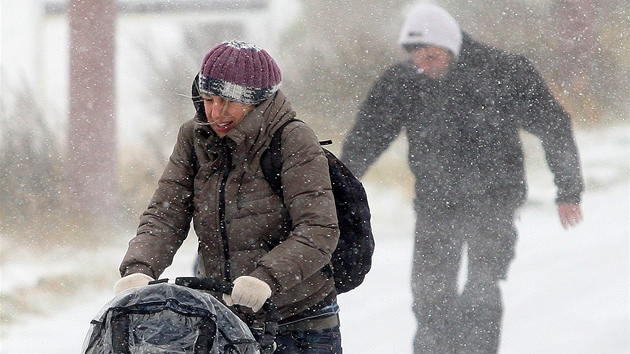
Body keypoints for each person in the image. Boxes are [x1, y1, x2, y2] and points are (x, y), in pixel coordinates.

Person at [341, 4, 584, 353]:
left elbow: (554, 125)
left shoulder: (504, 72)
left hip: (495, 202)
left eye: (432, 57)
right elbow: (366, 138)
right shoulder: (405, 82)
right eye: (417, 59)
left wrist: (569, 189)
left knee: (480, 294)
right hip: (435, 204)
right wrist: (340, 190)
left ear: (451, 47)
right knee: (430, 299)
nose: (424, 67)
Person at [114, 40, 343, 353]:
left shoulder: (293, 139)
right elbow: (166, 214)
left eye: (227, 102)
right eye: (208, 99)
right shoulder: (194, 137)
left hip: (299, 322)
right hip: (222, 317)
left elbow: (318, 228)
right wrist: (139, 269)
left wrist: (265, 278)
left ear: (257, 102)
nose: (215, 112)